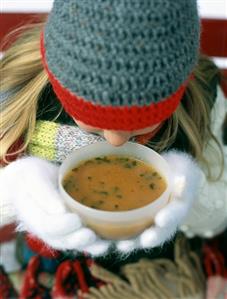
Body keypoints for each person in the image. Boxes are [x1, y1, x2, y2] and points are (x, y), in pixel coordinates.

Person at [0, 0, 226, 257]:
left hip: (158, 272)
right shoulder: (15, 95)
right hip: (46, 268)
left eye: (139, 125)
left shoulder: (201, 102)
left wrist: (191, 193)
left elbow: (219, 215)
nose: (116, 142)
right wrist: (15, 190)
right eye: (96, 125)